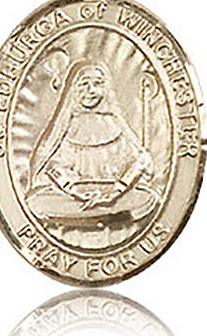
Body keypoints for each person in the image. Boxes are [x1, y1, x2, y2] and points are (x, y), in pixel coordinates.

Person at [26, 60, 157, 225]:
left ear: (106, 89)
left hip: (114, 195)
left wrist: (117, 190)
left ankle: (97, 214)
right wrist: (74, 190)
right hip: (74, 196)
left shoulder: (115, 124)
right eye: (84, 84)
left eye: (97, 84)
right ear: (73, 89)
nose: (91, 90)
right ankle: (106, 215)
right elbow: (51, 168)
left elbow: (140, 162)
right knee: (36, 202)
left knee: (147, 198)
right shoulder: (65, 126)